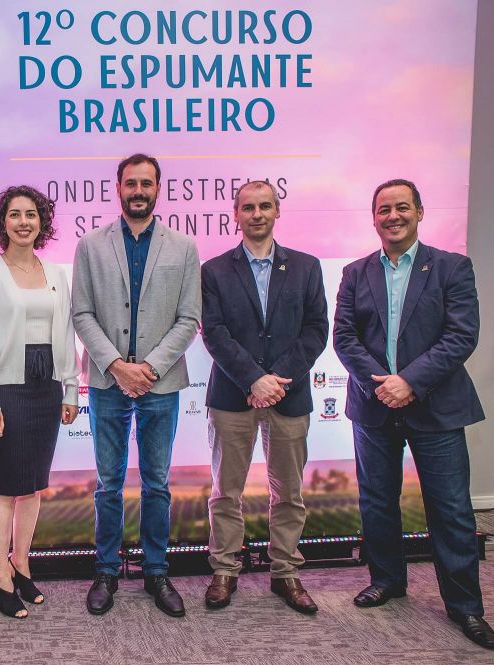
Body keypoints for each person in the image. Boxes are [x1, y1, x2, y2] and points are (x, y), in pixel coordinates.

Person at [333, 178, 494, 650]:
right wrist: (380, 384)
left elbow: (461, 335)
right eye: (383, 209)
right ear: (374, 218)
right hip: (373, 405)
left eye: (402, 207)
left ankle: (465, 607)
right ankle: (387, 580)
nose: (393, 216)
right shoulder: (355, 271)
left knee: (449, 510)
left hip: (437, 406)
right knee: (378, 501)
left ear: (419, 212)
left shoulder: (451, 268)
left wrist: (410, 381)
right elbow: (344, 337)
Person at [72, 153, 201, 617]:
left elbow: (189, 318)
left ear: (158, 188)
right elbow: (81, 313)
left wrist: (149, 367)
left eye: (147, 183)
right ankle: (106, 571)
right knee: (108, 484)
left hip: (161, 384)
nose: (139, 190)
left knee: (157, 483)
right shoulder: (90, 245)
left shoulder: (184, 248)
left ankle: (155, 571)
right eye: (131, 183)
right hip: (108, 383)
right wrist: (116, 365)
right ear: (119, 188)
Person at [200, 180, 328, 613]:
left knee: (288, 492)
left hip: (289, 397)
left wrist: (277, 378)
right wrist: (254, 379)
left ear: (277, 212)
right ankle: (224, 570)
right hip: (232, 397)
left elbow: (316, 330)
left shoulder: (308, 267)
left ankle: (286, 573)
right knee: (225, 492)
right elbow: (214, 334)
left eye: (265, 206)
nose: (256, 214)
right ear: (235, 215)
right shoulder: (214, 271)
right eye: (248, 207)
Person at [0, 185, 79, 619]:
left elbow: (65, 332)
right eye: (14, 215)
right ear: (3, 223)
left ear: (41, 221)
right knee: (6, 486)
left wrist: (69, 387)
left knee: (32, 486)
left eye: (31, 214)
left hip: (46, 386)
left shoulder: (55, 273)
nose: (23, 222)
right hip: (5, 389)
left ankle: (21, 564)